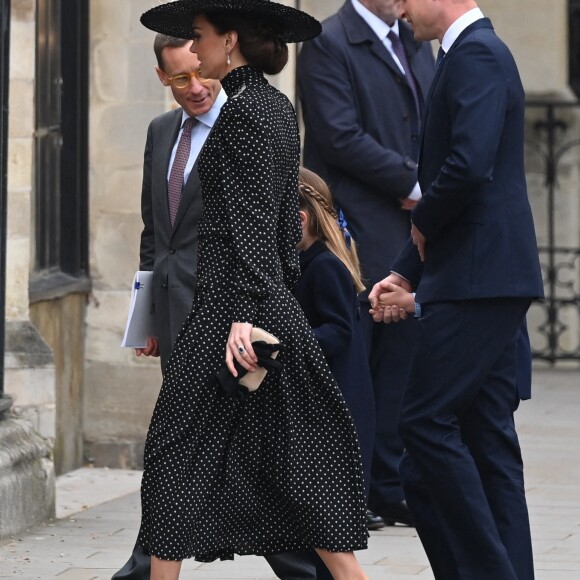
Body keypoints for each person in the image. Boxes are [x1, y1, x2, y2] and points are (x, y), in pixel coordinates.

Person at [138, 2, 369, 579]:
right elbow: (268, 227)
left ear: (230, 40)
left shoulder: (245, 112)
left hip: (233, 315)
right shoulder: (271, 107)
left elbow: (251, 225)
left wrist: (242, 316)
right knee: (280, 472)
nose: (194, 49)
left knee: (176, 467)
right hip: (251, 311)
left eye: (199, 37)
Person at [368, 0, 544, 578]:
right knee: (487, 444)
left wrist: (418, 227)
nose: (398, 9)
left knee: (422, 425)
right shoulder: (464, 55)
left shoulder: (478, 54)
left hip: (477, 279)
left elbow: (468, 168)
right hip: (478, 273)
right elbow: (461, 178)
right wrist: (406, 268)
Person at [297, 0, 434, 528]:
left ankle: (387, 485)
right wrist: (412, 182)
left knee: (401, 362)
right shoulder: (328, 41)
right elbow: (338, 135)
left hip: (411, 233)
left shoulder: (414, 39)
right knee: (358, 365)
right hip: (359, 230)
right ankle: (349, 489)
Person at [112, 33, 226, 580]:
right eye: (181, 78)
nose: (197, 88)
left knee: (226, 451)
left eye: (202, 74)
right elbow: (154, 232)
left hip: (225, 319)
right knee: (178, 449)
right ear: (163, 77)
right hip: (173, 315)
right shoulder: (160, 131)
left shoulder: (245, 125)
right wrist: (148, 318)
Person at [294, 167, 375, 495]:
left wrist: (285, 342)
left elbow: (338, 331)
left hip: (337, 407)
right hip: (327, 404)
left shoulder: (325, 266)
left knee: (326, 517)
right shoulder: (310, 262)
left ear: (300, 219)